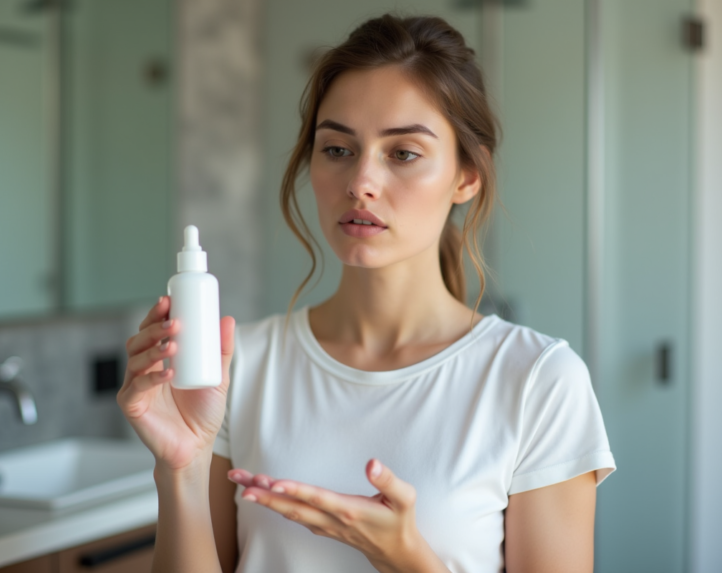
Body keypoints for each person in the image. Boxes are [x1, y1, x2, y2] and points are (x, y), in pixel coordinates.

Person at [118, 13, 615, 573]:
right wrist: (180, 469)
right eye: (337, 149)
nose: (360, 183)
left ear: (467, 177)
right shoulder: (241, 368)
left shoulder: (537, 382)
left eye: (402, 153)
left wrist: (406, 558)